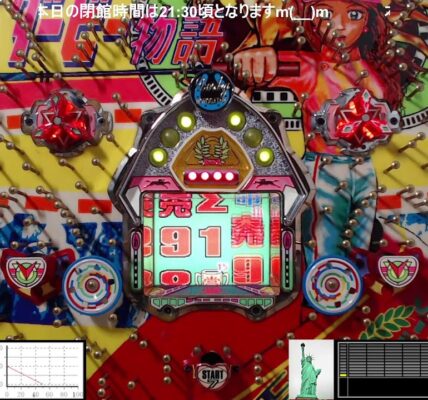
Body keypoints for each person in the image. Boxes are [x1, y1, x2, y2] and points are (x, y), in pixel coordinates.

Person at [232, 0, 425, 266]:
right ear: (311, 20)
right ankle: (321, 290)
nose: (339, 25)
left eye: (354, 14)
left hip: (365, 169)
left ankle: (351, 289)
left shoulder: (376, 69)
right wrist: (252, 58)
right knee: (324, 253)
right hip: (325, 168)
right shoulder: (308, 66)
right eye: (324, 13)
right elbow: (253, 68)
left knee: (358, 254)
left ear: (368, 22)